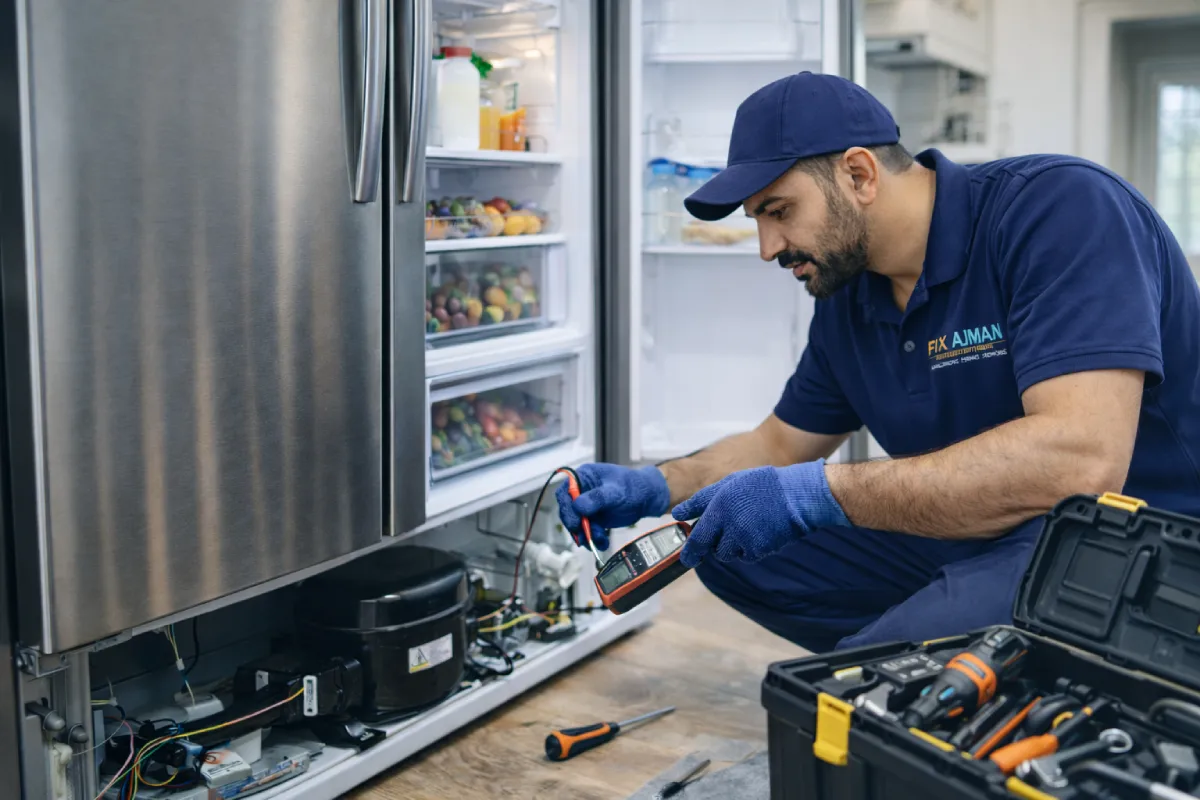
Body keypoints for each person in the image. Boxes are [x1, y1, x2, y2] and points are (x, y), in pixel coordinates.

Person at [557, 71, 1200, 653]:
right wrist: (658, 485)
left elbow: (1078, 461)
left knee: (869, 680)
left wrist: (823, 492)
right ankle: (936, 655)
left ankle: (930, 665)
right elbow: (780, 442)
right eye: (757, 221)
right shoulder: (849, 294)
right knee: (719, 544)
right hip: (977, 530)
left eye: (779, 212)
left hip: (1132, 544)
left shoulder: (1058, 210)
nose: (766, 247)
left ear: (860, 175)